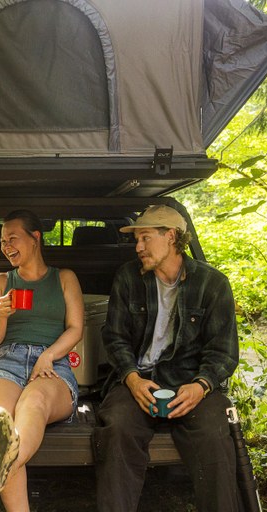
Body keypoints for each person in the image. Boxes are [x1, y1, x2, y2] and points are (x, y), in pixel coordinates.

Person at [94, 204, 240, 512]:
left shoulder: (213, 284)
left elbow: (223, 352)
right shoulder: (128, 278)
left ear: (171, 237)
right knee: (117, 427)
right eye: (137, 239)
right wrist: (132, 380)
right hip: (138, 379)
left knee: (216, 434)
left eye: (145, 238)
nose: (138, 247)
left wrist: (201, 385)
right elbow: (115, 337)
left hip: (191, 381)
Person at [0, 209, 84, 511]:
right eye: (2, 241)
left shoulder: (64, 278)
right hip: (7, 361)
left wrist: (48, 356)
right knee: (2, 421)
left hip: (53, 364)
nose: (6, 246)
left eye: (12, 238)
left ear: (35, 238)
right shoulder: (0, 281)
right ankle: (5, 459)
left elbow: (76, 328)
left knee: (33, 404)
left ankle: (3, 463)